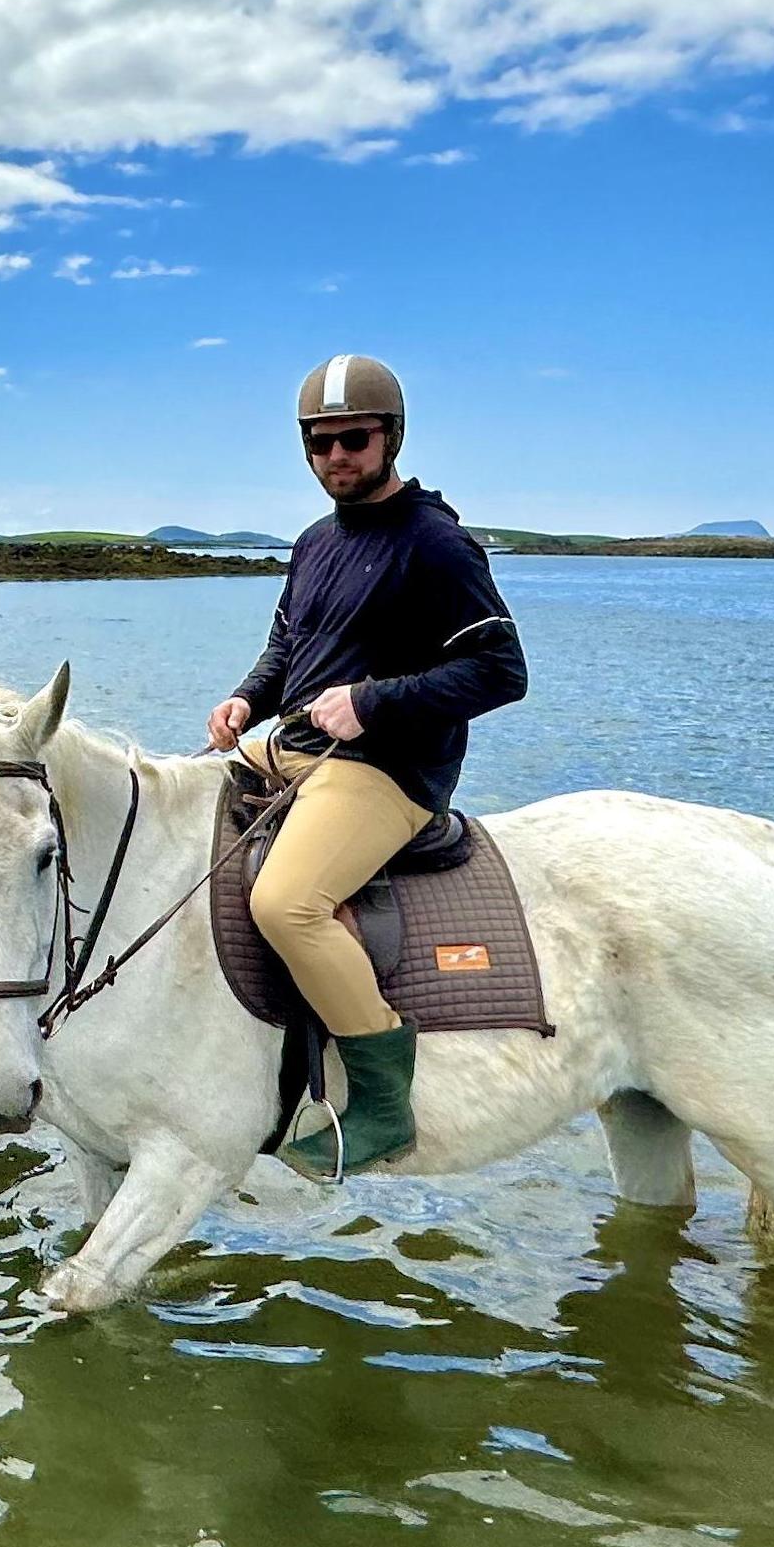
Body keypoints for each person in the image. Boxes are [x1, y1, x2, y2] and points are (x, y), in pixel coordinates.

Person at [204, 355, 528, 1170]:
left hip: (385, 768)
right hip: (293, 746)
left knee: (287, 903)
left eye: (352, 439)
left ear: (391, 437)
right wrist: (246, 698)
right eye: (318, 443)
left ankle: (384, 1103)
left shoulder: (437, 544)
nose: (334, 457)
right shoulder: (315, 541)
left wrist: (371, 702)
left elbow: (501, 671)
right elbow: (288, 644)